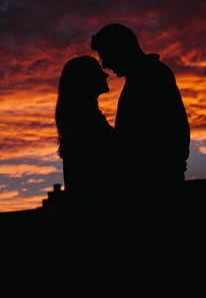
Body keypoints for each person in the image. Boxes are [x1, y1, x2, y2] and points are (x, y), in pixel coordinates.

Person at [90, 23, 190, 296]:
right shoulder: (146, 76)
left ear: (120, 47)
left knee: (161, 271)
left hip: (153, 190)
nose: (105, 65)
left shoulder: (150, 77)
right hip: (152, 188)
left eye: (105, 56)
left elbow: (165, 136)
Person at [55, 56, 123, 295]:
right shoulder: (85, 123)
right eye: (97, 72)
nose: (105, 75)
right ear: (84, 81)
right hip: (98, 216)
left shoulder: (83, 120)